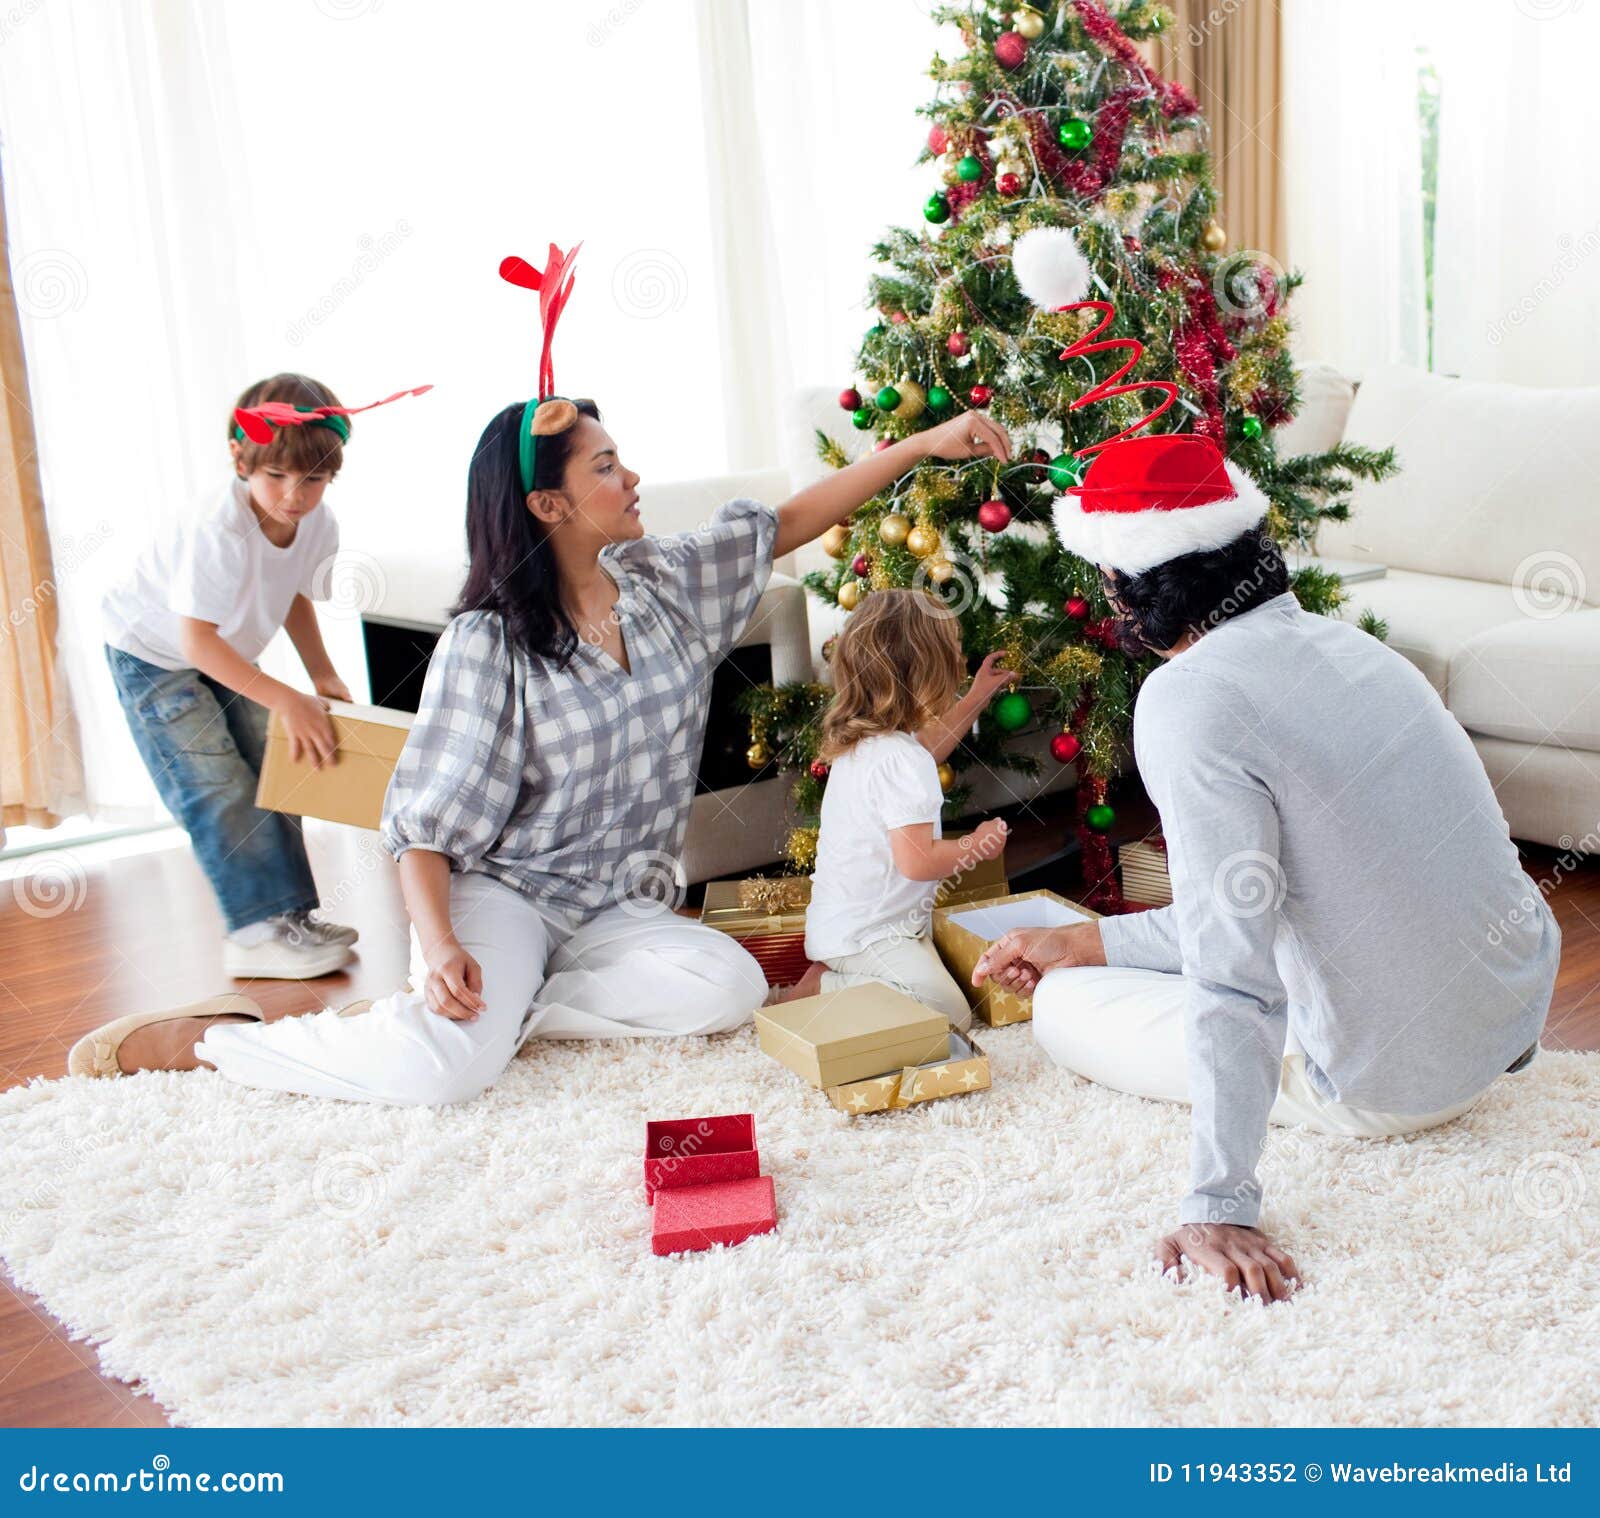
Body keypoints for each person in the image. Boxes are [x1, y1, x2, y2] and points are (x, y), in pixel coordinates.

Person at [71, 384, 1014, 1096]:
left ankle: (509, 1012)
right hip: (504, 893)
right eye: (604, 467)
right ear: (547, 506)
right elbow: (425, 823)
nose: (631, 476)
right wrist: (440, 945)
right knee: (443, 1077)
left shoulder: (667, 583)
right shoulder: (489, 645)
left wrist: (927, 443)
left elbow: (795, 520)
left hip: (614, 904)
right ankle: (215, 1045)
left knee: (723, 990)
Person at [974, 432, 1558, 1304]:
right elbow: (1278, 900)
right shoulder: (1358, 650)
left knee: (1060, 1010)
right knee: (1103, 966)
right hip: (1512, 1014)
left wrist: (1220, 1204)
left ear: (1130, 582)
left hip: (1398, 1086)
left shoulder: (1188, 697)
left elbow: (1232, 961)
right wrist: (1087, 939)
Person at [100, 373, 369, 980]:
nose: (294, 495)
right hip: (153, 653)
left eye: (314, 480)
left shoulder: (317, 523)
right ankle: (253, 933)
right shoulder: (217, 528)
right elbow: (193, 638)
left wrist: (320, 676)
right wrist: (286, 698)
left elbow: (294, 591)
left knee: (278, 768)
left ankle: (290, 917)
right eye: (276, 476)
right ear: (240, 459)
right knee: (216, 784)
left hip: (222, 650)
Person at [785, 589, 1014, 1024]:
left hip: (852, 926)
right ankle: (824, 988)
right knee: (947, 1014)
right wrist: (976, 845)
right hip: (868, 936)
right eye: (956, 657)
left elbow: (928, 748)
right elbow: (919, 861)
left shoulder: (877, 743)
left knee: (935, 986)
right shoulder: (902, 759)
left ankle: (844, 976)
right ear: (928, 672)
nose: (961, 664)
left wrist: (978, 696)